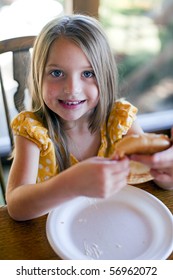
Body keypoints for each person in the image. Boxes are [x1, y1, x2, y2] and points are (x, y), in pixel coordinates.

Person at [6, 14, 172, 221]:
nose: (72, 89)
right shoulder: (33, 131)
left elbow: (156, 178)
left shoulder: (118, 120)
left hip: (111, 222)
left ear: (105, 76)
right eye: (57, 73)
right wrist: (71, 184)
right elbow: (16, 207)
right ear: (39, 76)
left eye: (87, 74)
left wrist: (167, 174)